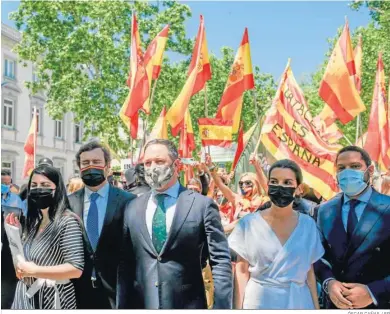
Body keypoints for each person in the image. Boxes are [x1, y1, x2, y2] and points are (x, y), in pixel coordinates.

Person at [117, 139, 232, 309]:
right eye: (147, 163)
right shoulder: (132, 207)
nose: (152, 167)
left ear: (176, 165)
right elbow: (125, 265)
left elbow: (220, 262)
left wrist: (221, 307)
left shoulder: (202, 206)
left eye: (160, 161)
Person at [229, 159, 324, 309]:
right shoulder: (248, 224)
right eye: (274, 181)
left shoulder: (308, 225)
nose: (280, 187)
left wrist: (316, 308)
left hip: (299, 302)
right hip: (259, 303)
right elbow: (241, 272)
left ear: (298, 188)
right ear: (267, 186)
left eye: (287, 182)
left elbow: (309, 273)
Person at [314, 146, 390, 309]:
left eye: (355, 166)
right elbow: (318, 255)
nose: (347, 172)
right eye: (341, 168)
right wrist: (329, 282)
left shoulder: (387, 207)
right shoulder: (324, 210)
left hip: (380, 305)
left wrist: (373, 292)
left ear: (369, 170)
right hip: (336, 304)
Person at [68, 141, 135, 309]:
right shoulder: (68, 203)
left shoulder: (129, 201)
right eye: (85, 163)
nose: (91, 166)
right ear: (79, 167)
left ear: (107, 166)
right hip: (78, 292)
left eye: (96, 162)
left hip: (117, 292)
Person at [8, 165, 84, 309]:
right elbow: (23, 265)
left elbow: (76, 268)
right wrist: (15, 233)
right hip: (25, 297)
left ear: (57, 188)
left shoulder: (67, 222)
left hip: (53, 300)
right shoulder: (34, 221)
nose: (38, 189)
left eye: (45, 185)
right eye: (34, 185)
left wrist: (34, 270)